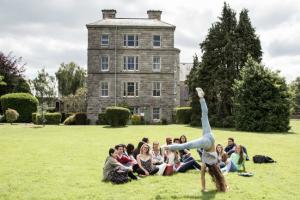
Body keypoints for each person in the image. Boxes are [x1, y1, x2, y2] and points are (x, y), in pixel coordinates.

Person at [165, 87, 227, 192]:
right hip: (207, 143)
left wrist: (205, 188)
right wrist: (203, 188)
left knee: (205, 116)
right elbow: (202, 175)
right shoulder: (207, 164)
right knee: (186, 145)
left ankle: (201, 97)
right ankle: (167, 146)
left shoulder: (215, 164)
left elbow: (217, 175)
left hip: (210, 136)